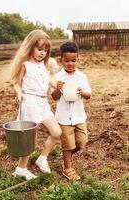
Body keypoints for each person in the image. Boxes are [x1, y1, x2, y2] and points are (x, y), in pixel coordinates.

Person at [11, 29, 61, 180]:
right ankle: (21, 168)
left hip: (42, 103)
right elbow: (16, 84)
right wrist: (19, 93)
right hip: (29, 102)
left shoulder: (43, 66)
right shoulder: (25, 65)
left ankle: (42, 158)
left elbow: (50, 82)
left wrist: (62, 86)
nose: (42, 53)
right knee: (29, 137)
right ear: (31, 47)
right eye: (39, 49)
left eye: (46, 50)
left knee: (57, 132)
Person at [51, 41, 91, 180]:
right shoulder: (57, 77)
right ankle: (67, 168)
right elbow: (54, 97)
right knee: (68, 144)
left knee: (81, 142)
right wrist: (58, 88)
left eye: (74, 60)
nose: (70, 63)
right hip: (64, 117)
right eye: (66, 61)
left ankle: (66, 157)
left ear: (77, 59)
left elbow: (89, 95)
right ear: (61, 60)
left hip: (79, 116)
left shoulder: (82, 77)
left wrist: (82, 92)